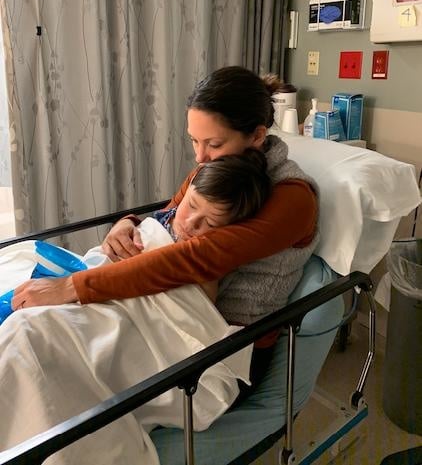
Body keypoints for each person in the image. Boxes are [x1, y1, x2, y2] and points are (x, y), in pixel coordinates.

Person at [12, 65, 319, 393]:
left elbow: (197, 258)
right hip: (171, 308)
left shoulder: (293, 199)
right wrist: (127, 225)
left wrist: (72, 287)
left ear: (257, 136)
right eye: (194, 141)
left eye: (213, 143)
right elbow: (170, 215)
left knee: (51, 349)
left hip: (226, 348)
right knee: (43, 329)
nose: (200, 157)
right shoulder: (216, 167)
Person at [0, 149, 271, 464]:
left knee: (32, 333)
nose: (192, 224)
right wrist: (123, 226)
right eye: (192, 205)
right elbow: (124, 248)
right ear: (189, 186)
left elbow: (182, 309)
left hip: (149, 321)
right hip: (98, 289)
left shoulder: (204, 258)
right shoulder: (166, 218)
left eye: (209, 223)